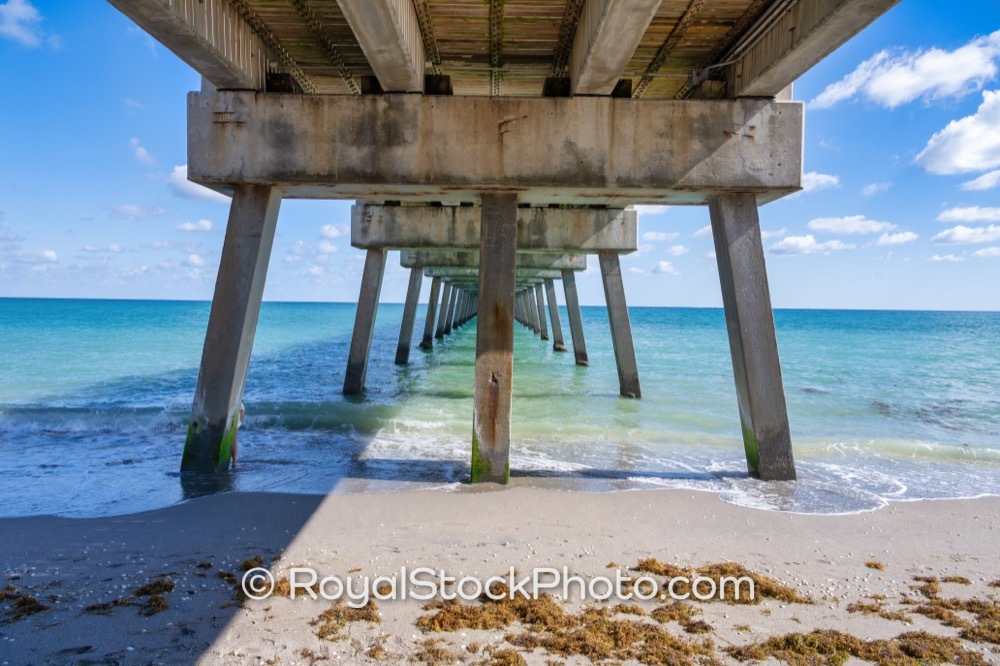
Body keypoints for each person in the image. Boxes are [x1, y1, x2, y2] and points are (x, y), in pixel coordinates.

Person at [232, 400, 245, 469]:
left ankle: (234, 463)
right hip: (238, 404)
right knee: (234, 439)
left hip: (237, 405)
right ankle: (234, 463)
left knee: (234, 439)